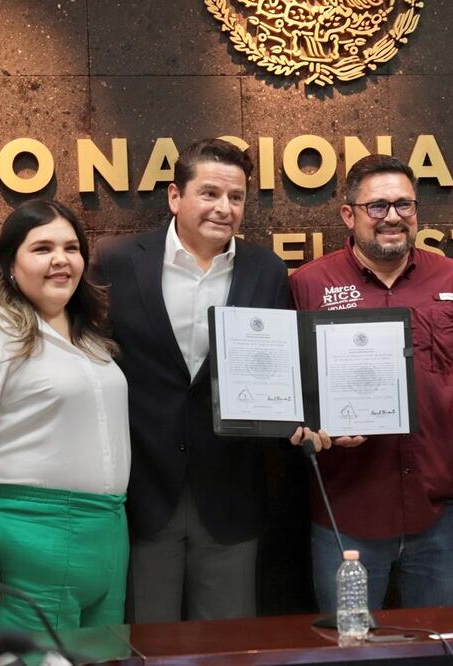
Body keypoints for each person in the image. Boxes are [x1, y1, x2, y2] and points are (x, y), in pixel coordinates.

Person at [91, 138, 291, 622]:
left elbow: (284, 368)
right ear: (174, 196)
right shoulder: (118, 261)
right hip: (143, 491)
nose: (224, 208)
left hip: (230, 492)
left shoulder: (266, 270)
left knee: (228, 649)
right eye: (209, 193)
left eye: (236, 197)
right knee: (146, 645)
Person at [289, 154, 453, 613]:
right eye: (378, 206)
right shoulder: (309, 285)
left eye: (405, 205)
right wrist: (309, 426)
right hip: (346, 508)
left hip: (437, 507)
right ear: (350, 214)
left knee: (441, 645)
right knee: (350, 651)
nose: (393, 218)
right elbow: (291, 389)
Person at [0, 199, 130, 635]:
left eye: (71, 248)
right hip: (27, 537)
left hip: (107, 535)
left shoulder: (90, 339)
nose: (60, 260)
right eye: (42, 248)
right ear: (10, 264)